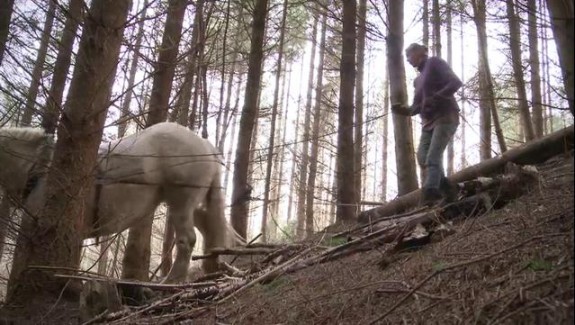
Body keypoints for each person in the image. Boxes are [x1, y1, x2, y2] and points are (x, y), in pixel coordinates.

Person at [391, 43, 463, 206]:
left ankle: (430, 194)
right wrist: (402, 110)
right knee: (423, 156)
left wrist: (436, 97)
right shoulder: (417, 81)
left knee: (433, 156)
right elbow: (416, 107)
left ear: (421, 52)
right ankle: (447, 188)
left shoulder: (435, 63)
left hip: (446, 117)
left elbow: (455, 82)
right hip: (428, 123)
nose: (408, 59)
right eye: (407, 56)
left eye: (410, 55)